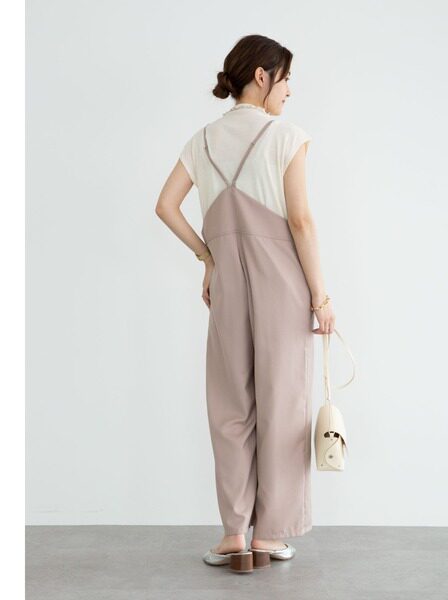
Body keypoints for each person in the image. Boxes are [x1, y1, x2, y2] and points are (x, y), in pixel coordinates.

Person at [155, 34, 335, 565]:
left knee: (230, 404)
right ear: (262, 76)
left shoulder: (202, 141)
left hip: (228, 284)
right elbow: (300, 221)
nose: (289, 91)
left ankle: (234, 533)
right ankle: (269, 534)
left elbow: (165, 206)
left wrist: (207, 258)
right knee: (283, 403)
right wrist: (321, 297)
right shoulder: (287, 137)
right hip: (284, 284)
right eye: (286, 79)